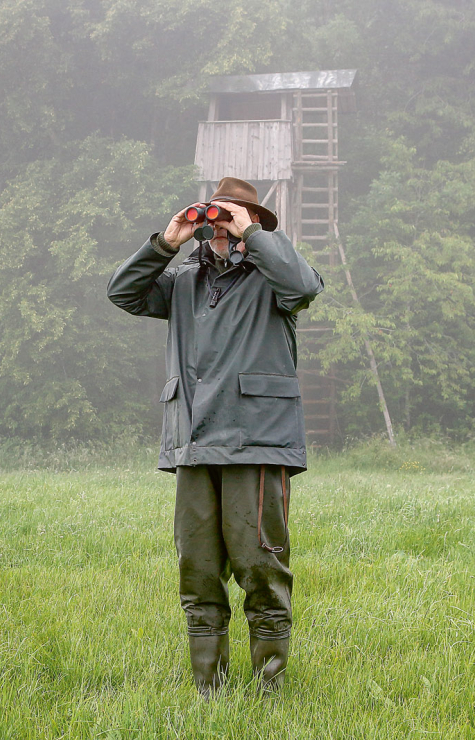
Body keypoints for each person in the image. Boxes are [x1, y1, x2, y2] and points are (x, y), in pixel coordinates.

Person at [106, 177, 323, 696]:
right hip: (195, 441)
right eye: (214, 220)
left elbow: (305, 287)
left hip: (257, 440)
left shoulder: (274, 277)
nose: (219, 228)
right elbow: (123, 291)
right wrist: (167, 240)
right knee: (197, 570)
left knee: (260, 566)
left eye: (230, 219)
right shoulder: (183, 281)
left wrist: (252, 232)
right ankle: (210, 692)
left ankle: (269, 693)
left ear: (251, 224)